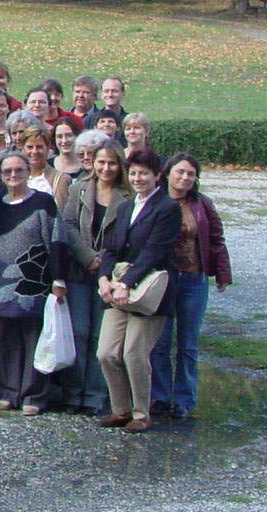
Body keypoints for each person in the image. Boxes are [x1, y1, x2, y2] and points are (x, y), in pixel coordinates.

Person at [96, 149, 181, 433]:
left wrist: (126, 282)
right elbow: (111, 247)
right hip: (118, 288)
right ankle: (120, 409)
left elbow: (155, 251)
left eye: (144, 173)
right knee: (106, 352)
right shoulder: (125, 206)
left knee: (134, 352)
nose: (138, 178)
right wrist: (104, 278)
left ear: (158, 175)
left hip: (147, 291)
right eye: (133, 173)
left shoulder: (168, 208)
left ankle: (141, 413)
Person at [150, 154, 231, 421]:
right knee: (160, 342)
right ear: (168, 172)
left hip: (194, 279)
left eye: (190, 174)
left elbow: (216, 239)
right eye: (180, 172)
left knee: (188, 343)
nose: (184, 178)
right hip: (163, 279)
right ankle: (160, 396)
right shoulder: (155, 200)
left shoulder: (202, 204)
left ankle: (184, 398)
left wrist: (221, 273)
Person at [0, 151, 67, 415]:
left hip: (36, 283)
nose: (13, 176)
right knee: (7, 339)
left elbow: (56, 240)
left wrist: (58, 278)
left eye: (19, 170)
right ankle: (9, 391)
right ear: (1, 175)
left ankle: (34, 395)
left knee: (35, 340)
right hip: (3, 283)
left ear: (27, 172)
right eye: (7, 171)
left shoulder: (43, 202)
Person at [61, 141, 129, 415]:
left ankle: (95, 394)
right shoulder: (78, 190)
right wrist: (88, 256)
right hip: (80, 271)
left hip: (111, 276)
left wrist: (105, 261)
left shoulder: (129, 194)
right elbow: (67, 225)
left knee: (103, 338)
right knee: (78, 333)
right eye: (101, 162)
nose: (106, 168)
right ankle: (73, 392)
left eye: (112, 163)